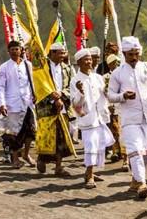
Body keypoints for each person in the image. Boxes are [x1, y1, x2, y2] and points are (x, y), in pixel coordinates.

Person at [107, 36, 147, 199]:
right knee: (135, 150)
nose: (134, 57)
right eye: (130, 54)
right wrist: (123, 96)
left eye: (136, 54)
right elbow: (110, 96)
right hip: (130, 119)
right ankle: (142, 184)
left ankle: (135, 181)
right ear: (124, 54)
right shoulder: (117, 73)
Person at [71, 49, 114, 189]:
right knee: (90, 146)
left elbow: (105, 94)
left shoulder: (97, 77)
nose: (90, 62)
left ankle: (91, 171)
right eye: (86, 59)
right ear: (78, 63)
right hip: (87, 119)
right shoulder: (75, 80)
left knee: (99, 145)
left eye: (90, 59)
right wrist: (81, 93)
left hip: (100, 117)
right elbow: (75, 104)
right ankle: (89, 174)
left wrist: (109, 95)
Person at [35, 42, 75, 176]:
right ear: (52, 53)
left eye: (64, 53)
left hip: (63, 107)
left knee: (62, 137)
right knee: (46, 136)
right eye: (60, 53)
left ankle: (58, 166)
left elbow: (71, 87)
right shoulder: (42, 68)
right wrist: (52, 97)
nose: (63, 55)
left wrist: (62, 94)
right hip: (46, 108)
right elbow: (39, 87)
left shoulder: (67, 68)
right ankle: (42, 158)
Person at [0, 40, 36, 169]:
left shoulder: (28, 65)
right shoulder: (4, 67)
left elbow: (32, 83)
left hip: (28, 102)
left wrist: (35, 95)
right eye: (12, 49)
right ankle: (14, 158)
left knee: (30, 131)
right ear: (8, 51)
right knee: (13, 133)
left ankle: (26, 154)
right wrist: (1, 104)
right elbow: (0, 86)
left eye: (17, 49)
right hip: (12, 104)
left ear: (21, 50)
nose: (15, 51)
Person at [103, 53, 129, 171]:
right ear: (110, 65)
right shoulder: (105, 77)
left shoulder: (125, 75)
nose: (117, 64)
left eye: (118, 62)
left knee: (124, 134)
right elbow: (106, 93)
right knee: (115, 131)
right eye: (114, 63)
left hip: (125, 108)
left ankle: (126, 159)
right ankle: (115, 151)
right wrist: (109, 104)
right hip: (112, 108)